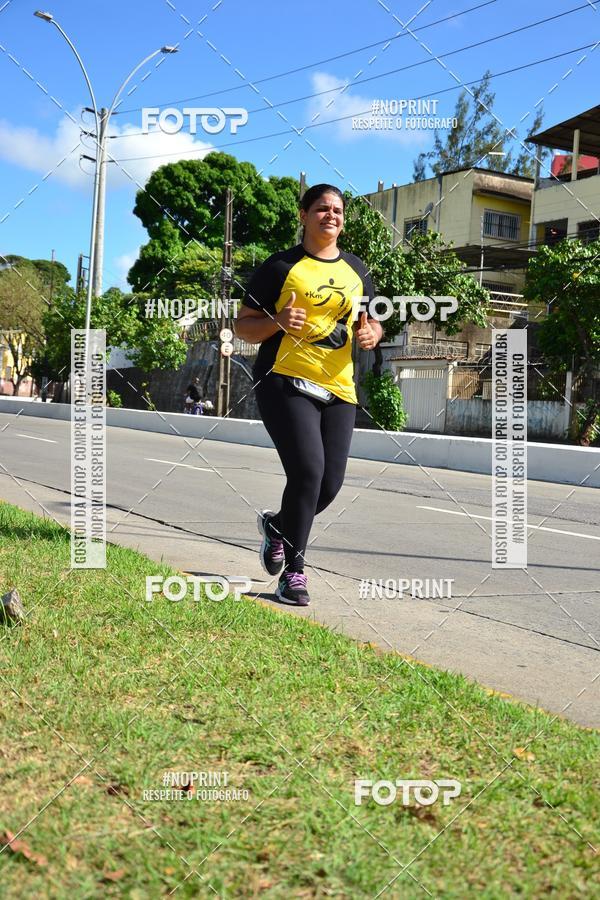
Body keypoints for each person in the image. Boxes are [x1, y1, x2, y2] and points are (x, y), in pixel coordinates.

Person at [234, 184, 382, 606]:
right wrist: (278, 321)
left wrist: (372, 333)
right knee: (308, 472)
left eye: (337, 210)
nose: (330, 215)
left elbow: (369, 322)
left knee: (329, 485)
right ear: (303, 215)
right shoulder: (280, 266)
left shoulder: (356, 269)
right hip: (284, 379)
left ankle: (278, 526)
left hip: (339, 387)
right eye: (321, 208)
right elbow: (244, 326)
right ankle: (293, 574)